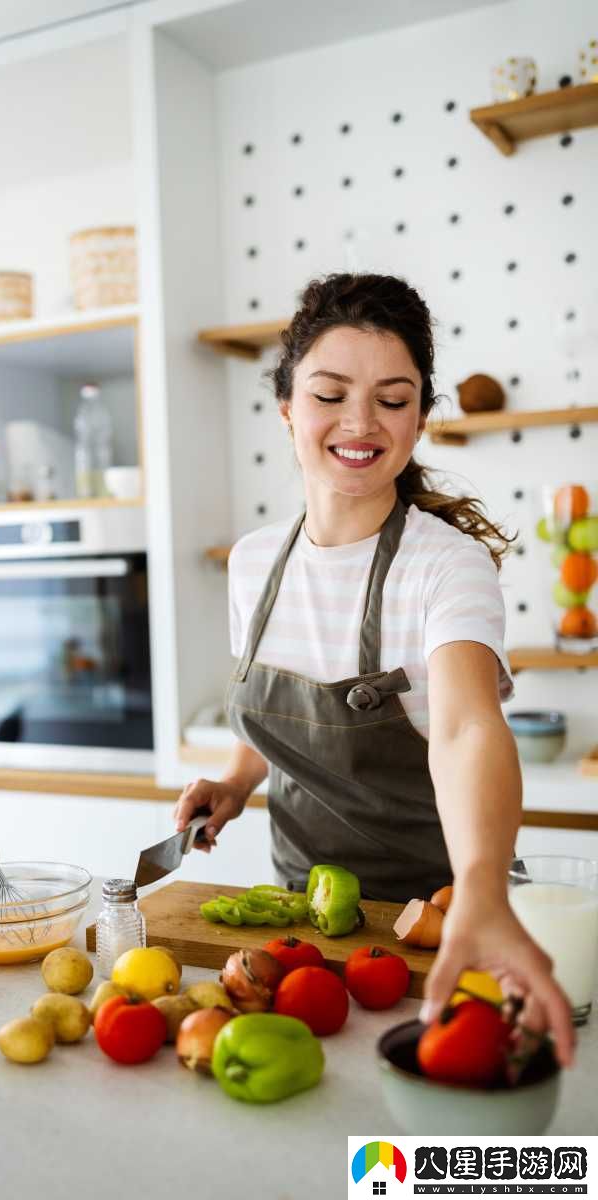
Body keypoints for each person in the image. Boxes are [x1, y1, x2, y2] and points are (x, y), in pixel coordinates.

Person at [174, 273, 574, 1067]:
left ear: (421, 418)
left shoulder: (446, 566)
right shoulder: (256, 564)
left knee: (400, 1153)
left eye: (393, 400)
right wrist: (234, 782)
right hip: (300, 922)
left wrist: (485, 892)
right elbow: (279, 723)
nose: (361, 423)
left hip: (437, 922)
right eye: (330, 394)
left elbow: (464, 728)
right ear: (287, 405)